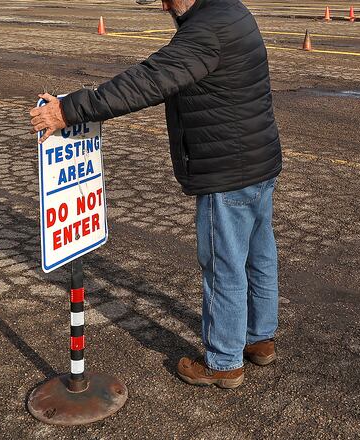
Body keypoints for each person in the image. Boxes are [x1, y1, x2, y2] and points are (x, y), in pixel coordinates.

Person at [29, 0, 281, 389]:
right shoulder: (232, 10)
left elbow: (145, 82)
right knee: (259, 253)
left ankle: (225, 362)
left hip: (227, 170)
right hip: (258, 160)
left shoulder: (203, 31)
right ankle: (259, 338)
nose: (164, 5)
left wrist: (70, 110)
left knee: (224, 265)